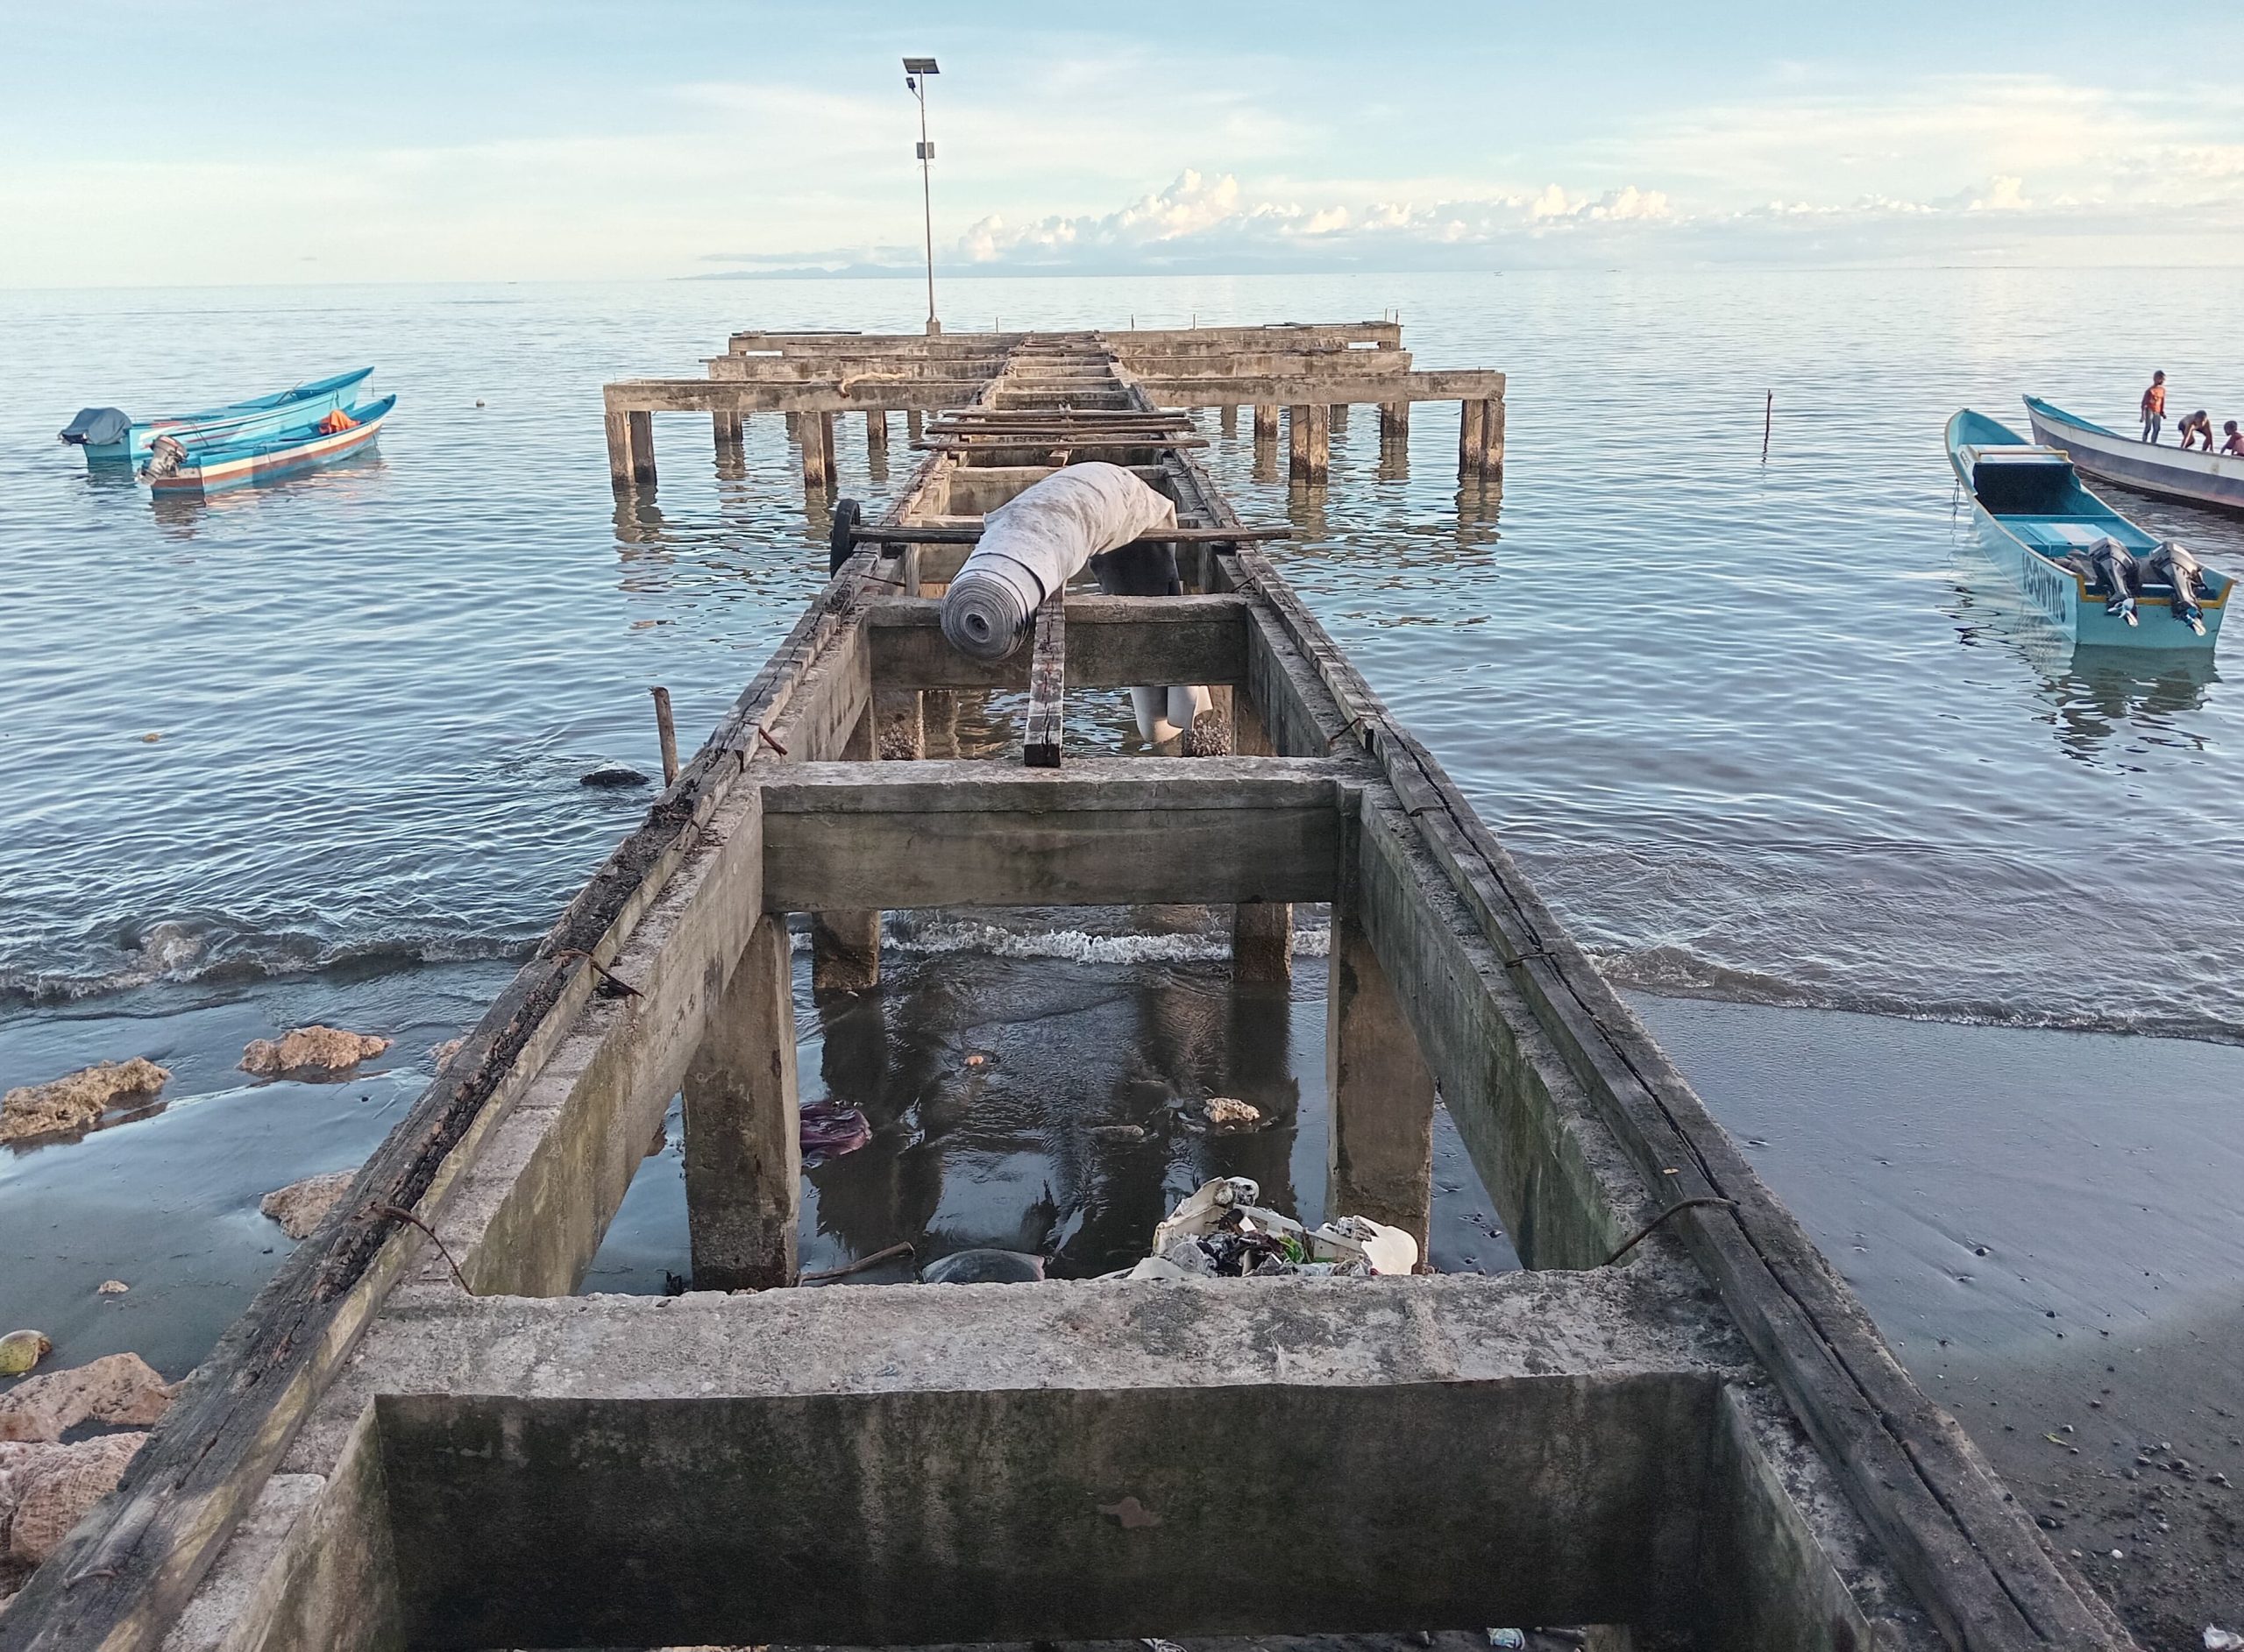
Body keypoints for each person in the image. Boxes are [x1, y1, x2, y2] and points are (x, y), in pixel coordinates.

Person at [2141, 372, 2168, 443]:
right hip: (2150, 410)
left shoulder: (2162, 390)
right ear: (2156, 378)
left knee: (2157, 428)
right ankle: (2144, 441)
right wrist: (2143, 416)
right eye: (2161, 379)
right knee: (2148, 427)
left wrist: (2162, 412)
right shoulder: (2150, 390)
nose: (2162, 381)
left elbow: (2162, 402)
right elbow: (2143, 404)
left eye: (2163, 380)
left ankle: (2153, 443)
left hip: (2157, 411)